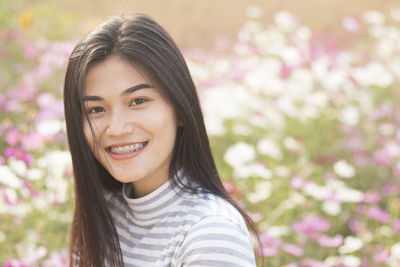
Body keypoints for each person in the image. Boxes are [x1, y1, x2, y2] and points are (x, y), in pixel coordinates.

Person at [64, 13, 259, 267]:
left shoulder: (210, 234)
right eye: (96, 109)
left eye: (138, 101)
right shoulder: (103, 215)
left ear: (179, 108)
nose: (116, 128)